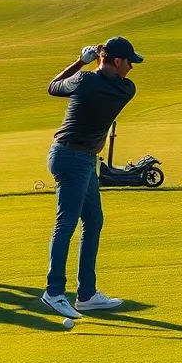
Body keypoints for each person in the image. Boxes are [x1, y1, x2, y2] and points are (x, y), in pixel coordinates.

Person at [40, 38, 140, 319]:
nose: (132, 67)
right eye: (129, 61)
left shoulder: (84, 80)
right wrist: (91, 62)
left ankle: (86, 294)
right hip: (73, 159)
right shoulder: (126, 88)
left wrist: (80, 61)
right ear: (117, 61)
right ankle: (54, 292)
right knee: (67, 223)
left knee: (93, 220)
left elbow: (53, 86)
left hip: (74, 156)